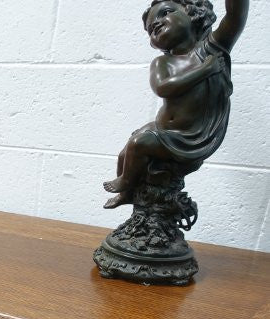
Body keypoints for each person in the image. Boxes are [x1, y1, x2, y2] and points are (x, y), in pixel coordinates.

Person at [103, 0, 248, 208]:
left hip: (188, 135)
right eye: (151, 28)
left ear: (193, 14)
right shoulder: (162, 63)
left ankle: (126, 180)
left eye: (165, 13)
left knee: (138, 144)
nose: (157, 24)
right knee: (126, 152)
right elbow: (163, 87)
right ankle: (126, 193)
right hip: (163, 127)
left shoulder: (210, 49)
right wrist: (205, 71)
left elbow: (235, 17)